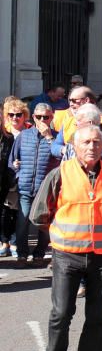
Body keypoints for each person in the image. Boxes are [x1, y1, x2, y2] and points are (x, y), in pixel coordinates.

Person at [33, 125, 102, 351]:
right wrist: (59, 233)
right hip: (67, 255)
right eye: (86, 142)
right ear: (74, 145)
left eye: (97, 142)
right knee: (62, 313)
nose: (92, 147)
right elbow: (40, 213)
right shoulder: (59, 174)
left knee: (98, 317)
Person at [10, 103, 59, 267]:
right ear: (33, 117)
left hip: (45, 190)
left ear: (51, 117)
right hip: (25, 187)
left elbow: (60, 159)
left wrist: (48, 137)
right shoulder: (24, 136)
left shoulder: (56, 137)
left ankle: (39, 254)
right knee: (22, 223)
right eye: (39, 117)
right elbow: (13, 160)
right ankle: (22, 255)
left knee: (43, 224)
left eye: (46, 117)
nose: (42, 120)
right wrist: (17, 171)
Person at [1, 98, 30, 259]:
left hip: (22, 177)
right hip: (5, 176)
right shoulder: (4, 131)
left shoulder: (29, 130)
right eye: (11, 114)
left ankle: (14, 241)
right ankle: (4, 241)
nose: (14, 118)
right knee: (5, 211)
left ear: (24, 115)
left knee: (17, 211)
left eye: (18, 114)